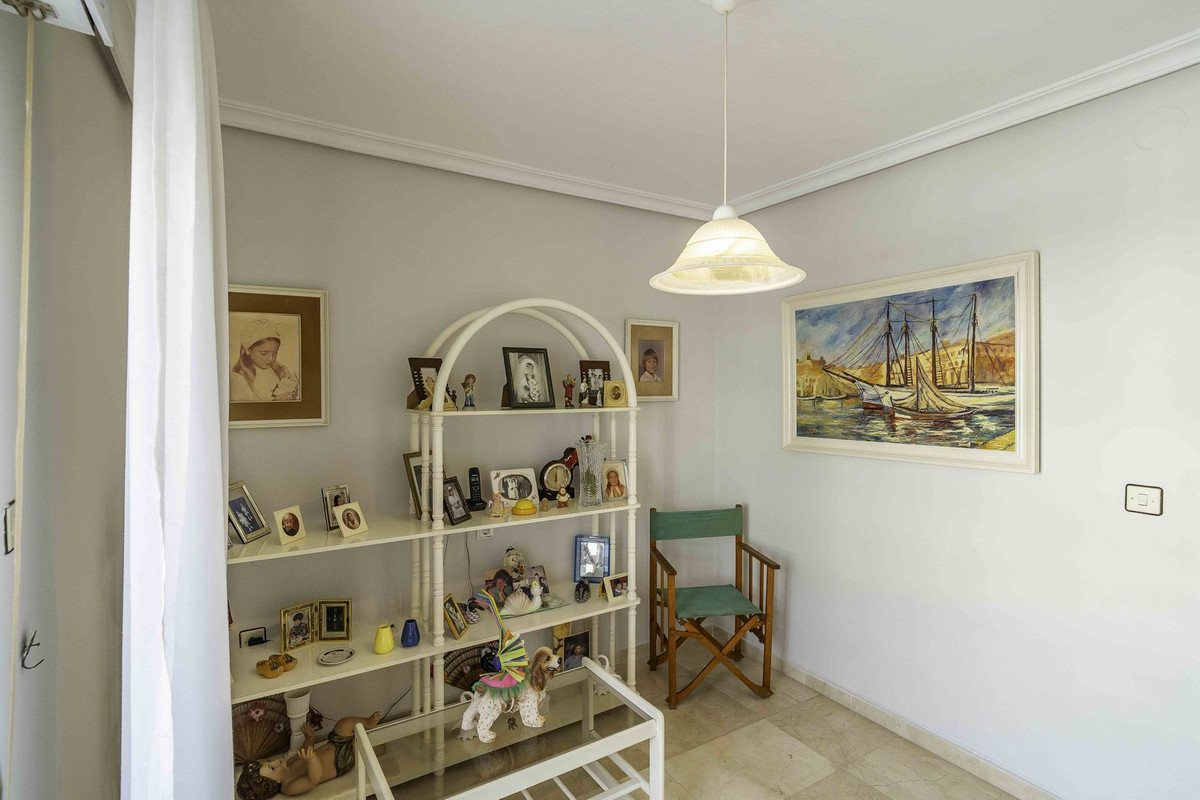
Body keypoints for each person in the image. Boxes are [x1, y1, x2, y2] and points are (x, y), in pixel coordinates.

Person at [236, 714, 381, 799]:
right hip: (341, 761)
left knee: (344, 723)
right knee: (363, 748)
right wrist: (311, 760)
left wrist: (309, 738)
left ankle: (368, 723)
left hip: (334, 743)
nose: (276, 760)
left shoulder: (287, 765)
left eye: (269, 761)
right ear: (274, 782)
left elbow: (303, 751)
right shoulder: (289, 787)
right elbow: (313, 779)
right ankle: (380, 748)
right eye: (272, 767)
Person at [231, 318, 299, 402]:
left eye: (275, 353)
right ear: (248, 350)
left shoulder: (281, 370)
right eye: (264, 353)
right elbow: (246, 408)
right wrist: (275, 403)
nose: (271, 359)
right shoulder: (238, 378)